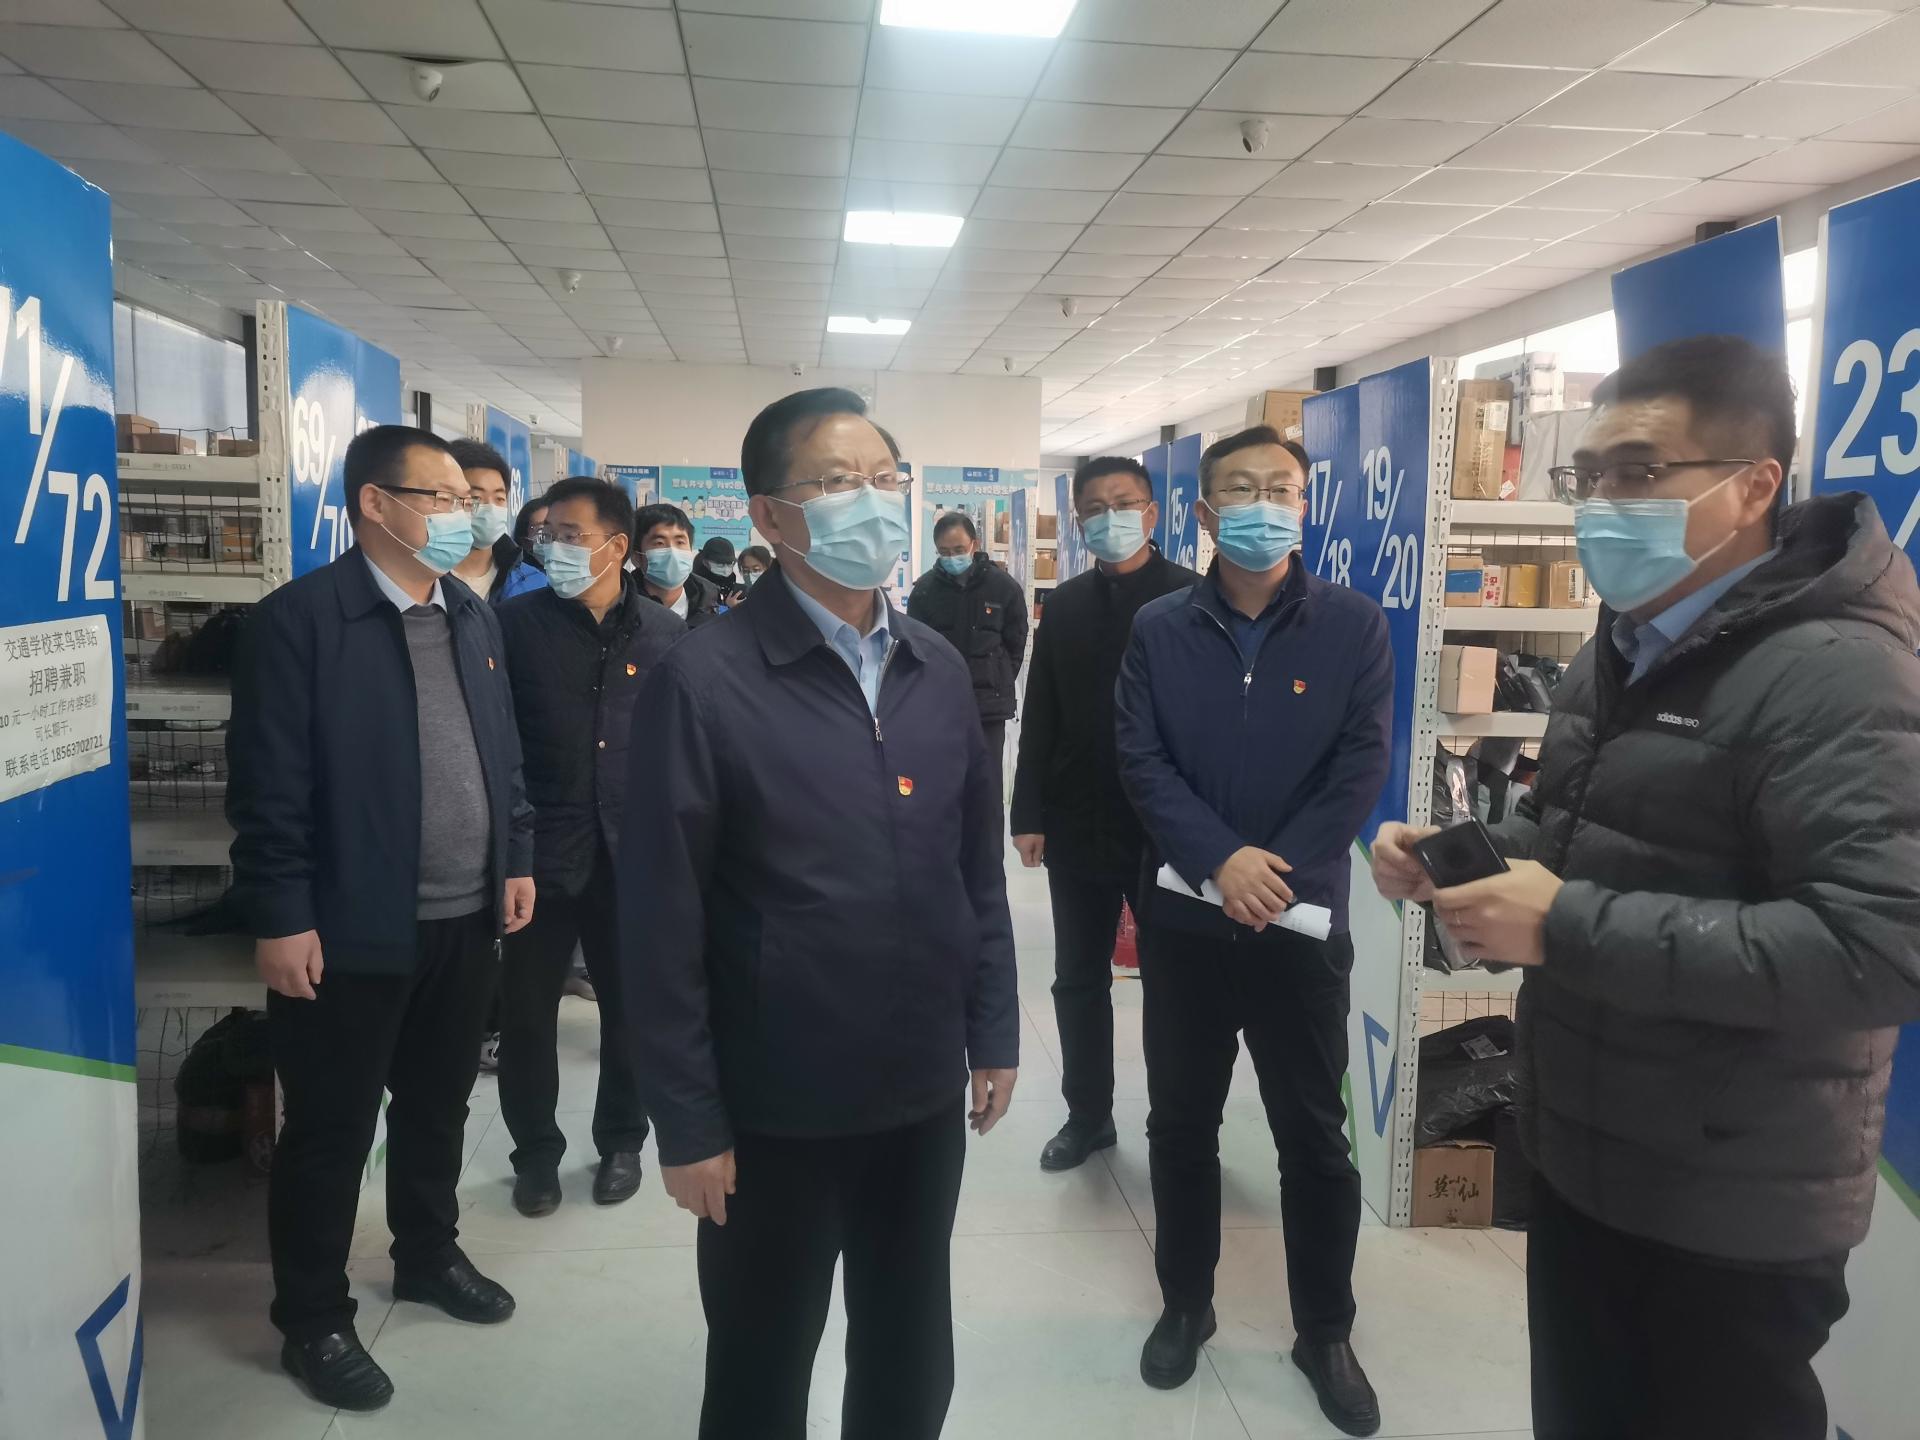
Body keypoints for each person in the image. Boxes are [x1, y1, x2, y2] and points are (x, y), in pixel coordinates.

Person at [1371, 335, 1920, 1440]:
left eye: (1639, 471)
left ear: (1754, 485)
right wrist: (1463, 855)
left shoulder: (1840, 674)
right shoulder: (1623, 647)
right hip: (1589, 1154)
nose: (1601, 505)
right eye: (1588, 476)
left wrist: (1566, 925)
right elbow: (1583, 837)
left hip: (1730, 1204)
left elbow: (1879, 949)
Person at [620, 387, 1018, 1440]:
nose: (872, 501)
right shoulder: (703, 682)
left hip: (918, 1091)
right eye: (839, 482)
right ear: (768, 514)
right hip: (773, 1105)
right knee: (761, 1365)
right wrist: (687, 1122)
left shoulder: (935, 667)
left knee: (908, 1352)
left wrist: (993, 1029)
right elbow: (659, 922)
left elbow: (974, 871)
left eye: (885, 479)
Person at [226, 425, 536, 1412]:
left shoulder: (472, 616)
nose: (466, 515)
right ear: (375, 503)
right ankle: (313, 1317)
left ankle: (427, 1255)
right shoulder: (300, 622)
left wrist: (515, 857)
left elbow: (503, 755)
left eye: (471, 500)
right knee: (331, 1128)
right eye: (443, 497)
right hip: (347, 927)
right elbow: (269, 787)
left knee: (438, 1105)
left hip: (465, 917)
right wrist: (282, 913)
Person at [1115, 425, 1392, 1435]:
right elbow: (1140, 758)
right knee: (1180, 1125)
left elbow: (1360, 765)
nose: (1263, 504)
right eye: (1241, 489)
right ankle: (1186, 1303)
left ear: (1305, 505)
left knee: (1314, 1138)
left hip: (1300, 925)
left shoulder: (1353, 626)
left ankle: (1325, 1331)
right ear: (1203, 512)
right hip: (1187, 924)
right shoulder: (1158, 628)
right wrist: (1215, 860)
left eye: (1282, 487)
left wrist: (1266, 876)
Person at [496, 478, 684, 1218]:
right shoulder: (512, 627)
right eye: (549, 536)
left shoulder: (666, 635)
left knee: (629, 1011)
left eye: (571, 536)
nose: (554, 548)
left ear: (616, 546)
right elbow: (497, 747)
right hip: (538, 857)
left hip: (632, 858)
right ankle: (535, 1155)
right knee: (526, 1017)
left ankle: (622, 1142)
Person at [1010, 457, 1198, 1173]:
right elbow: (1042, 710)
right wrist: (1028, 811)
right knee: (1077, 978)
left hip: (1168, 828)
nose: (1110, 517)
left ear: (1151, 514)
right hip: (1079, 818)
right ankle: (1087, 1115)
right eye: (1095, 507)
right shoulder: (1065, 604)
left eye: (1124, 503)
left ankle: (1177, 1121)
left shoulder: (1191, 597)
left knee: (1174, 982)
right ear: (1080, 521)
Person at [906, 512, 1029, 800]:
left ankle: (988, 833)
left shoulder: (1004, 587)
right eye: (945, 552)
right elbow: (915, 648)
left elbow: (1015, 643)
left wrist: (996, 677)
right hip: (940, 708)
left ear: (975, 544)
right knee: (943, 786)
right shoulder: (924, 592)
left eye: (959, 549)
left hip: (988, 708)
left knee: (987, 788)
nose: (952, 557)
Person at [447, 440, 547, 605]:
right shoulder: (425, 579)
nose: (490, 508)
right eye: (476, 497)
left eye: (499, 498)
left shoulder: (533, 582)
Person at [634, 502, 727, 628]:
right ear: (636, 557)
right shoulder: (621, 610)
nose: (673, 551)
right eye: (659, 543)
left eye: (680, 542)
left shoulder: (710, 606)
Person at [694, 534, 747, 606]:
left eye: (729, 564)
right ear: (706, 562)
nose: (725, 570)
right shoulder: (695, 587)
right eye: (720, 565)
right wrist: (729, 608)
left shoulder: (737, 590)